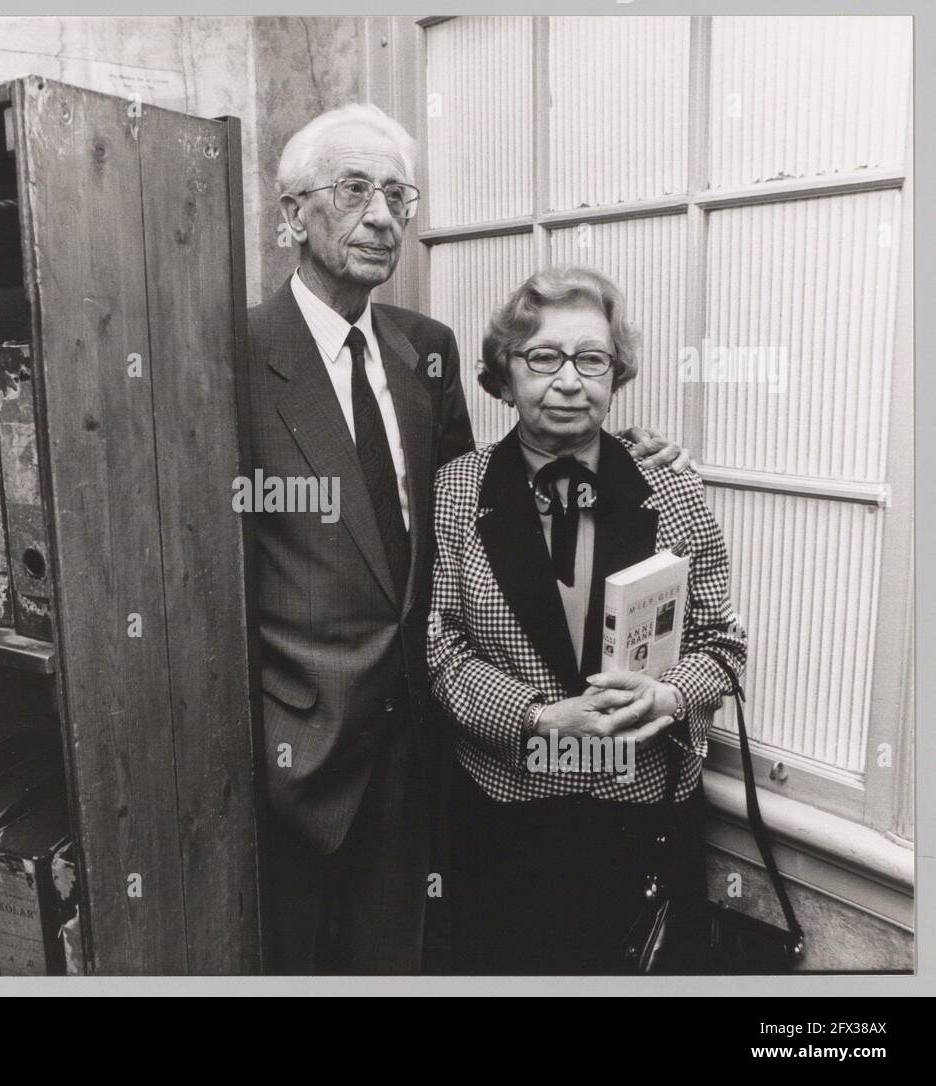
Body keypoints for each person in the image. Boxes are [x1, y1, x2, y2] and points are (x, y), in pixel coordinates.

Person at [247, 107, 691, 974]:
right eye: (353, 190)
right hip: (300, 742)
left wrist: (620, 453)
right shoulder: (232, 353)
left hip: (430, 746)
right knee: (290, 958)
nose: (383, 217)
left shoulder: (427, 351)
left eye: (399, 196)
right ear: (294, 213)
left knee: (406, 956)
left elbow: (474, 519)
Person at [426, 265, 747, 973]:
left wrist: (670, 694)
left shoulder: (671, 486)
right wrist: (542, 718)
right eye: (544, 357)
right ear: (504, 374)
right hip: (510, 815)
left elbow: (722, 642)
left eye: (592, 359)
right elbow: (439, 650)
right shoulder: (454, 492)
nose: (569, 380)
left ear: (615, 373)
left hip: (645, 814)